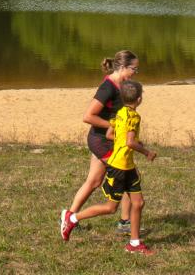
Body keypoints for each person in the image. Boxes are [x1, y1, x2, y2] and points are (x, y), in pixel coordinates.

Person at [61, 80, 157, 255]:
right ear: (139, 99)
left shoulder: (119, 113)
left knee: (138, 203)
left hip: (128, 166)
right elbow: (129, 142)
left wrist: (130, 142)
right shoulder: (134, 117)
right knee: (110, 208)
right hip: (119, 167)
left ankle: (134, 244)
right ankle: (72, 218)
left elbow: (109, 134)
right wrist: (146, 151)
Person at [62, 50, 138, 236]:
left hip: (108, 139)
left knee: (94, 181)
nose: (136, 73)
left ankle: (68, 217)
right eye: (134, 69)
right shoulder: (108, 88)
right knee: (128, 176)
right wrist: (115, 125)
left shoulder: (123, 85)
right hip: (101, 141)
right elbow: (88, 116)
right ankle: (125, 222)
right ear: (122, 67)